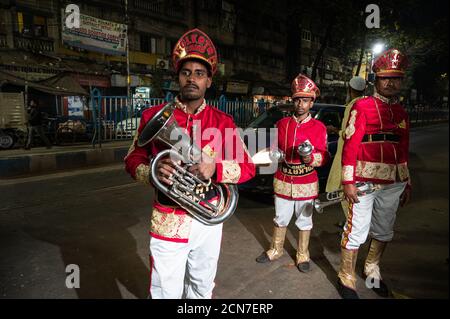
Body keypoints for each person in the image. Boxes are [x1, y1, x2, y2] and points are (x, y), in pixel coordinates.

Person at [124, 28, 255, 299]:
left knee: (202, 287)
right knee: (164, 291)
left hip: (208, 219)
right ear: (178, 78)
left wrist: (215, 168)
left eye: (199, 73)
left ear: (208, 81)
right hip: (168, 217)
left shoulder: (223, 122)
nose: (192, 79)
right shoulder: (152, 116)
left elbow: (248, 168)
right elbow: (132, 158)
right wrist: (151, 171)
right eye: (186, 73)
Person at [337, 49, 412, 299]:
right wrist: (347, 181)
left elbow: (403, 150)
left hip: (393, 183)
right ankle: (346, 277)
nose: (391, 83)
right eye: (385, 77)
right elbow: (350, 145)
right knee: (356, 229)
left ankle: (372, 269)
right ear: (376, 80)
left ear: (401, 81)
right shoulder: (362, 105)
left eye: (396, 78)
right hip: (362, 181)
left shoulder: (401, 112)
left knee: (384, 229)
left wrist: (407, 180)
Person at [255, 74, 330, 273]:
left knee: (304, 220)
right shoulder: (281, 124)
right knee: (280, 217)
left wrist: (310, 158)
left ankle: (303, 255)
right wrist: (274, 155)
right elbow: (273, 149)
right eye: (297, 99)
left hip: (306, 180)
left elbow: (324, 156)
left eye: (305, 100)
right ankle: (276, 249)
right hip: (283, 178)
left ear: (312, 102)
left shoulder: (319, 127)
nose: (300, 104)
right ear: (293, 100)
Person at [326, 76, 367, 224]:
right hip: (357, 155)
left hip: (347, 154)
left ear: (350, 90)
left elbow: (348, 133)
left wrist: (335, 130)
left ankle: (351, 226)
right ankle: (352, 224)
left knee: (345, 190)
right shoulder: (364, 103)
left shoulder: (354, 106)